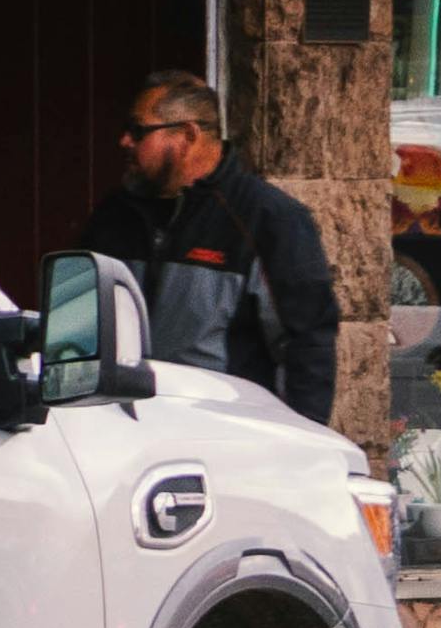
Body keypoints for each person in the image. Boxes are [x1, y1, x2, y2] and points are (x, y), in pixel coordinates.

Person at [75, 68, 339, 421]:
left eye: (139, 131)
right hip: (122, 432)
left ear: (187, 134)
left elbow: (308, 347)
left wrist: (299, 443)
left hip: (223, 436)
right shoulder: (114, 216)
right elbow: (77, 327)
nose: (125, 141)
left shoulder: (267, 219)